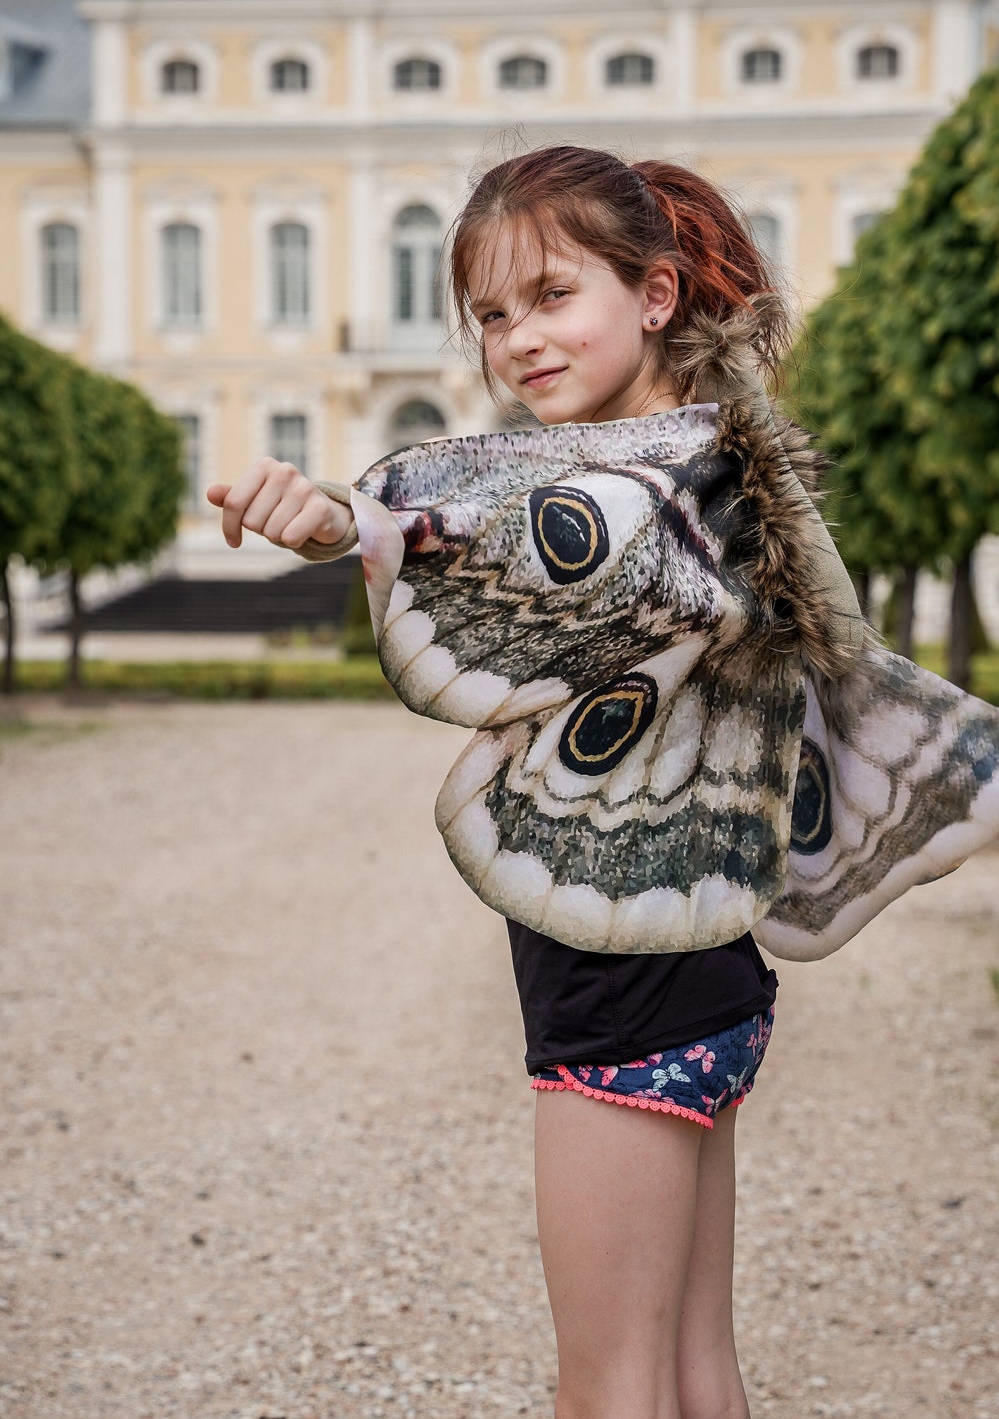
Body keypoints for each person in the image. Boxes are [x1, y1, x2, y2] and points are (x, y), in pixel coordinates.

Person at [207, 146, 847, 1419]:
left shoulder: (656, 489)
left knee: (607, 1388)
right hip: (704, 962)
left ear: (655, 295)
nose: (518, 341)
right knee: (692, 1372)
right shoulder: (719, 461)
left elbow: (544, 553)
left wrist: (353, 523)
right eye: (494, 314)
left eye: (552, 296)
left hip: (620, 977)